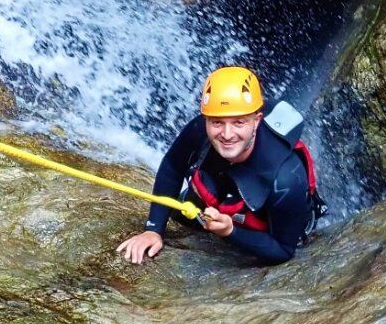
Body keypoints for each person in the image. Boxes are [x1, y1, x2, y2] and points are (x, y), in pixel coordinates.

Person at [116, 66, 317, 265]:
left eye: (239, 123)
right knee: (187, 204)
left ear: (256, 121)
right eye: (217, 123)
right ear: (207, 120)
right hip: (220, 192)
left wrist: (230, 231)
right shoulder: (199, 131)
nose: (227, 134)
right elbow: (173, 167)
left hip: (267, 221)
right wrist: (153, 229)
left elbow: (284, 249)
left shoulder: (286, 178)